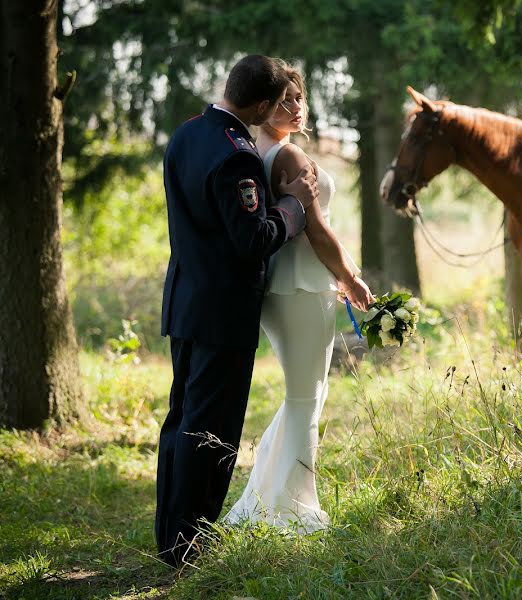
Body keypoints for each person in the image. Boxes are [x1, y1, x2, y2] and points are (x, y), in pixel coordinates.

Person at [155, 55, 319, 567]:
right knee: (210, 431)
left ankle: (170, 536)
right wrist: (292, 207)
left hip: (185, 301)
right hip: (223, 313)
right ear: (263, 104)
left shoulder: (185, 135)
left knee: (180, 420)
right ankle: (189, 547)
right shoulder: (238, 156)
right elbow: (253, 240)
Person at [224, 62, 374, 534]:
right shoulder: (288, 159)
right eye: (285, 99)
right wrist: (351, 277)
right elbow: (318, 231)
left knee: (303, 395)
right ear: (264, 107)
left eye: (299, 98)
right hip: (301, 286)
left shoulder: (261, 153)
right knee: (307, 398)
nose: (296, 106)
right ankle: (292, 513)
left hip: (292, 284)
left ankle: (260, 503)